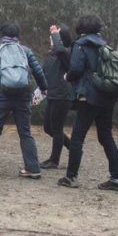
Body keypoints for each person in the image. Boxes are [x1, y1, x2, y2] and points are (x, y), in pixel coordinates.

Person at [57, 15, 118, 191]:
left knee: (78, 136)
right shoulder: (104, 44)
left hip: (89, 97)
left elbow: (77, 69)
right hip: (107, 96)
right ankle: (117, 178)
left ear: (80, 28)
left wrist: (67, 76)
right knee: (106, 136)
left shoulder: (80, 45)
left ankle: (71, 176)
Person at [0, 23, 48, 179]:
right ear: (18, 35)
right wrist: (44, 88)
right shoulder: (25, 51)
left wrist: (2, 76)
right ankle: (33, 168)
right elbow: (38, 72)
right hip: (23, 97)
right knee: (25, 132)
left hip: (2, 96)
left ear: (1, 34)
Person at [40, 24, 74, 169]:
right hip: (52, 94)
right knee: (48, 127)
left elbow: (60, 49)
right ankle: (73, 147)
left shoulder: (67, 53)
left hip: (62, 95)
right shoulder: (51, 54)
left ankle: (54, 160)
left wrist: (54, 33)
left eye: (55, 36)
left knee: (56, 128)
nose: (52, 38)